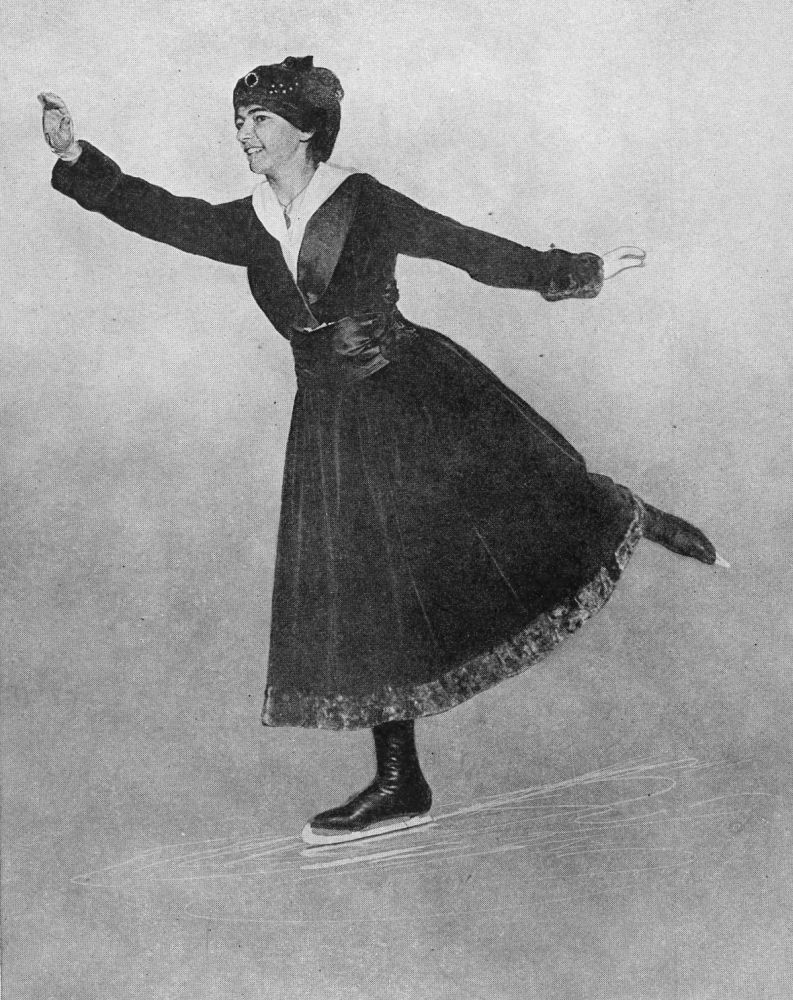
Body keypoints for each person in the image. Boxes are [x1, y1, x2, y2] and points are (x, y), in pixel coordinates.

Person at [38, 56, 725, 846]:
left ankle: (630, 516)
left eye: (259, 120)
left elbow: (466, 247)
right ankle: (401, 781)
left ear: (305, 129)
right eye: (239, 120)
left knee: (510, 512)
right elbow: (159, 213)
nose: (243, 134)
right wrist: (72, 155)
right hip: (331, 424)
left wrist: (580, 270)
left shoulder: (362, 201)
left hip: (411, 392)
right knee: (366, 588)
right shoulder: (246, 221)